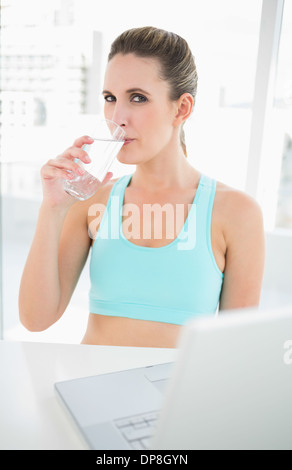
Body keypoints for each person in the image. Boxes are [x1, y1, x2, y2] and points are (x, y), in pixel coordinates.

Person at [19, 26, 265, 348]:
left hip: (180, 397)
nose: (117, 117)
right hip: (90, 389)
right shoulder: (91, 200)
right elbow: (36, 320)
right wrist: (53, 209)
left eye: (138, 98)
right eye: (110, 98)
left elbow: (239, 348)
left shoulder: (237, 213)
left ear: (182, 108)